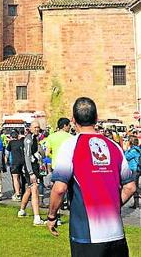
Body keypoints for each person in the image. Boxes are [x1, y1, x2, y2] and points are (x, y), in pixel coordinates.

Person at [47, 97, 136, 257]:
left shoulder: (70, 146)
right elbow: (130, 187)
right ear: (96, 118)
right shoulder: (114, 146)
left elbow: (59, 188)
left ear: (73, 119)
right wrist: (112, 206)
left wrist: (51, 215)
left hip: (87, 235)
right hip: (116, 235)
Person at [17, 120, 46, 226]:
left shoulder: (35, 138)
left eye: (38, 127)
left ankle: (21, 210)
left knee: (29, 189)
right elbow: (27, 156)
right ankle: (37, 218)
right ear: (30, 128)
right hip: (30, 168)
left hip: (33, 166)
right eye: (35, 127)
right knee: (35, 190)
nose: (37, 129)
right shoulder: (28, 139)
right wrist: (30, 172)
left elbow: (40, 153)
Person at [6, 129, 25, 202]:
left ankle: (17, 194)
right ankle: (25, 193)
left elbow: (7, 153)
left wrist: (6, 161)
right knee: (23, 179)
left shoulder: (11, 143)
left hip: (15, 162)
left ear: (11, 137)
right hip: (23, 162)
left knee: (15, 178)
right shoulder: (21, 142)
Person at [124, 136, 141, 209]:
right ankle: (136, 204)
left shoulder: (133, 150)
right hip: (136, 169)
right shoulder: (137, 149)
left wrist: (127, 149)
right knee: (135, 186)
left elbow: (125, 157)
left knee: (134, 187)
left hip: (135, 170)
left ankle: (136, 203)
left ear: (131, 142)